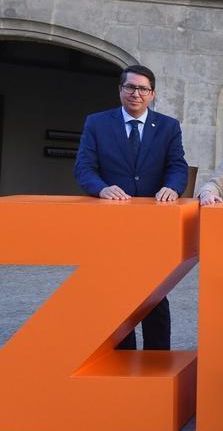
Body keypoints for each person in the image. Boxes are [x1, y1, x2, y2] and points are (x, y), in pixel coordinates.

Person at [73, 64, 188, 351]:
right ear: (120, 89)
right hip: (111, 224)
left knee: (155, 294)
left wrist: (172, 187)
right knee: (116, 293)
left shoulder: (168, 126)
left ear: (152, 94)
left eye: (143, 89)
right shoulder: (97, 123)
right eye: (130, 87)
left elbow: (177, 166)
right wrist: (101, 188)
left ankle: (157, 357)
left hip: (153, 226)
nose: (136, 93)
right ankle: (122, 358)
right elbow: (84, 168)